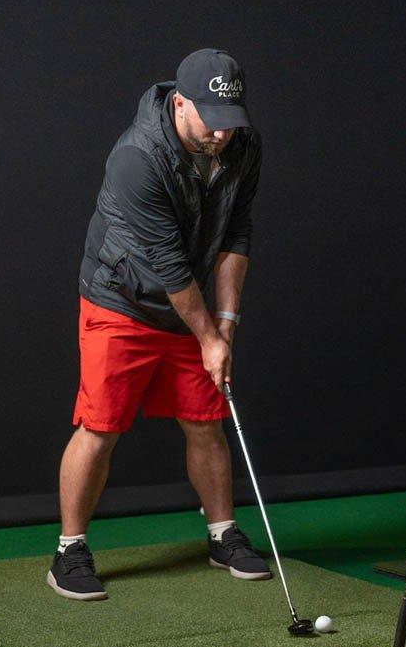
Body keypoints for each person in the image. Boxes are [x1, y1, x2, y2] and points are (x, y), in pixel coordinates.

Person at [48, 49, 271, 600]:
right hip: (120, 301)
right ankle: (69, 551)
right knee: (101, 426)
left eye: (231, 121)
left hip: (188, 306)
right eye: (211, 121)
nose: (222, 134)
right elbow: (169, 264)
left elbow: (236, 232)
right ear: (180, 103)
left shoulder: (242, 144)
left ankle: (222, 534)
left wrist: (226, 325)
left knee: (205, 419)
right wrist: (209, 337)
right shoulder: (136, 158)